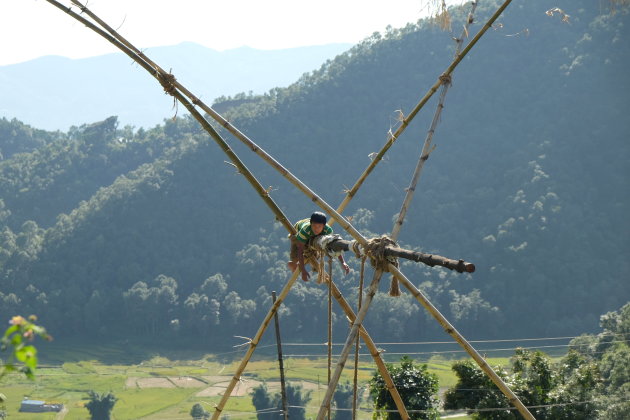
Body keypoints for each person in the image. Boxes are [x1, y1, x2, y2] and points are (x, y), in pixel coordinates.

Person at [288, 211, 350, 281]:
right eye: (314, 226)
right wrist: (303, 270)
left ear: (323, 226)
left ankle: (300, 264)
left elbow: (335, 246)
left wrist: (343, 262)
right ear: (311, 224)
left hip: (315, 237)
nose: (316, 229)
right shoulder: (305, 230)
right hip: (298, 230)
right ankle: (293, 264)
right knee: (295, 257)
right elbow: (300, 249)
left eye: (319, 227)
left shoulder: (328, 231)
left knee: (314, 254)